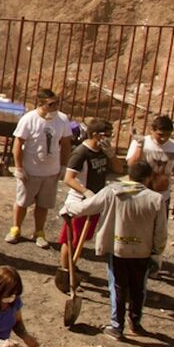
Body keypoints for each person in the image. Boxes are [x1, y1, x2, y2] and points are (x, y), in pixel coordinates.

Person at [80, 159, 168, 340]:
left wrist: (68, 208)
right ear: (148, 178)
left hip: (119, 248)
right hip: (143, 251)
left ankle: (116, 326)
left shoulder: (112, 192)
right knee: (138, 288)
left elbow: (86, 207)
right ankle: (135, 322)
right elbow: (161, 231)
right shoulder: (156, 199)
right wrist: (157, 252)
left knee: (118, 287)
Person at [57, 119, 118, 291]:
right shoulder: (81, 153)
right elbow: (68, 178)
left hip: (95, 201)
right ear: (95, 135)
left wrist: (111, 154)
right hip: (79, 201)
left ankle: (72, 265)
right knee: (70, 238)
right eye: (107, 134)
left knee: (82, 238)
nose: (110, 138)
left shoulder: (103, 152)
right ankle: (65, 272)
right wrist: (85, 192)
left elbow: (120, 170)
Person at [8, 89, 72, 248]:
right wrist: (19, 167)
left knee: (43, 204)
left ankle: (39, 232)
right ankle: (16, 229)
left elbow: (65, 144)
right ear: (41, 104)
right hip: (31, 170)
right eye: (51, 104)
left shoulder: (62, 119)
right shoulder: (29, 119)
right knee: (22, 202)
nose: (55, 107)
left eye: (57, 103)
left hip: (51, 171)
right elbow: (18, 143)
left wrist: (64, 166)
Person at [127, 115, 174, 224]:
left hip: (161, 197)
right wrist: (140, 146)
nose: (164, 138)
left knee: (158, 230)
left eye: (168, 135)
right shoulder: (140, 142)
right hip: (138, 195)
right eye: (160, 135)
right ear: (152, 130)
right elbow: (132, 165)